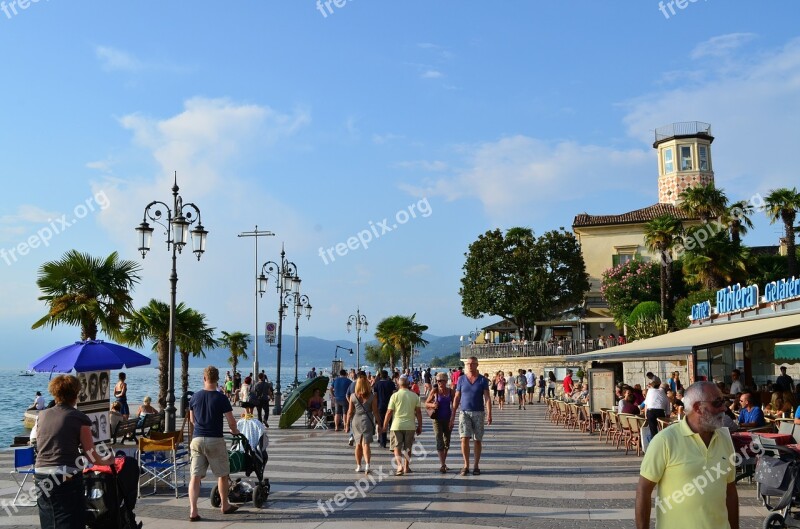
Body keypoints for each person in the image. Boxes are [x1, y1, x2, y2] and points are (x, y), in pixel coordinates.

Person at [635, 381, 738, 529]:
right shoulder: (665, 441)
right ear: (698, 408)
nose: (724, 408)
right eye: (717, 403)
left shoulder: (724, 439)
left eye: (723, 402)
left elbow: (730, 491)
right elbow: (643, 491)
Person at [34, 374, 114, 528]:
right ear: (77, 393)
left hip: (41, 473)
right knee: (71, 520)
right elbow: (90, 455)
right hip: (66, 476)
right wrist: (107, 460)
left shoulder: (41, 416)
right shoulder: (79, 418)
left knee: (49, 520)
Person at [188, 366, 241, 521]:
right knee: (223, 475)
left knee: (195, 477)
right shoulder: (221, 398)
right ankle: (224, 505)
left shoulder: (195, 397)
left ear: (204, 378)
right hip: (215, 440)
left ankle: (193, 511)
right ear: (217, 379)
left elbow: (192, 420)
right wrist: (235, 431)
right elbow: (231, 421)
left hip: (197, 439)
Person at [450, 356, 492, 476]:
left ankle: (476, 465)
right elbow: (457, 397)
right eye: (468, 364)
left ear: (477, 365)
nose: (469, 366)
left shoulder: (483, 380)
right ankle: (466, 465)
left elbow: (487, 398)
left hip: (479, 412)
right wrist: (453, 413)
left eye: (472, 364)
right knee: (464, 438)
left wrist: (489, 413)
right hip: (464, 412)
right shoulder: (461, 379)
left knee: (477, 440)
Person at [382, 375, 422, 476]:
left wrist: (384, 426)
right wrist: (420, 426)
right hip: (410, 425)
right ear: (409, 384)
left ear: (398, 384)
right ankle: (406, 467)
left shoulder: (394, 396)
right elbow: (418, 413)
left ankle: (399, 465)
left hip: (396, 425)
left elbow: (389, 412)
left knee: (397, 446)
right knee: (408, 448)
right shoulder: (414, 396)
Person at [346, 375, 380, 474]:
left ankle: (358, 465)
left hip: (356, 420)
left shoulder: (353, 396)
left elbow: (349, 412)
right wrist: (380, 423)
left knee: (358, 444)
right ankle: (367, 465)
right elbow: (375, 412)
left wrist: (347, 424)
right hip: (367, 420)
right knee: (366, 444)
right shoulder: (372, 396)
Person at [426, 372, 454, 473]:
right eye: (437, 381)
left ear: (446, 381)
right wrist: (433, 405)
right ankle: (442, 464)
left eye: (440, 381)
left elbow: (454, 406)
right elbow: (426, 403)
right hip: (437, 419)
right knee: (439, 439)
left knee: (447, 442)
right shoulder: (435, 391)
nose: (438, 383)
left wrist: (453, 418)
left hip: (447, 419)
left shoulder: (451, 392)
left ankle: (444, 462)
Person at [373, 370, 395, 448]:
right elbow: (394, 394)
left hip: (380, 406)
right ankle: (393, 442)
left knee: (382, 424)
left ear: (380, 376)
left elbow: (375, 396)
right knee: (392, 424)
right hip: (390, 406)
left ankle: (383, 442)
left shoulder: (377, 384)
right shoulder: (391, 383)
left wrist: (375, 406)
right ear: (387, 375)